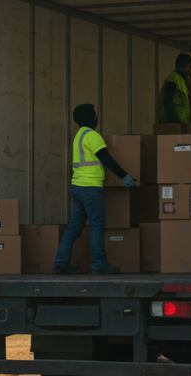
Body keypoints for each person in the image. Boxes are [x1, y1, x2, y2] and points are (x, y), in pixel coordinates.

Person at [54, 103, 135, 274]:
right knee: (97, 226)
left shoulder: (78, 136)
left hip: (77, 187)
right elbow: (106, 158)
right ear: (91, 118)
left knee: (74, 227)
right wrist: (124, 175)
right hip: (90, 188)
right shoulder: (92, 135)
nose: (96, 118)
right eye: (94, 115)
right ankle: (99, 265)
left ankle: (61, 262)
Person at [159, 54, 191, 125]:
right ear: (180, 67)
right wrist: (175, 123)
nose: (190, 71)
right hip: (173, 125)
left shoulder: (181, 81)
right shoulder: (172, 80)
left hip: (181, 125)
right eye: (188, 67)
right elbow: (167, 103)